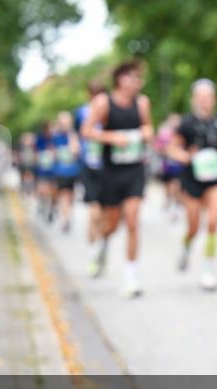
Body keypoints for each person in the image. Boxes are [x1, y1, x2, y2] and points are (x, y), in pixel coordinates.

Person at [82, 59, 154, 298]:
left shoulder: (142, 103)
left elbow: (149, 129)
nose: (138, 83)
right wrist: (113, 138)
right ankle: (102, 246)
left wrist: (143, 134)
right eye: (135, 77)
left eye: (140, 78)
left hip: (134, 169)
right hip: (111, 171)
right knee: (111, 224)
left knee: (133, 220)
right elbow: (87, 130)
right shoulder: (104, 102)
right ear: (121, 79)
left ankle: (131, 277)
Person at [169, 78, 217, 291]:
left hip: (216, 179)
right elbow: (172, 149)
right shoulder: (186, 124)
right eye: (201, 97)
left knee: (213, 222)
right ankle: (186, 248)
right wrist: (187, 157)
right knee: (194, 227)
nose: (205, 101)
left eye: (208, 97)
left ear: (214, 100)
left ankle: (208, 270)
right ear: (194, 100)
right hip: (192, 180)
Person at [76, 81, 106, 245]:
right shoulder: (81, 112)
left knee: (105, 210)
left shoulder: (109, 111)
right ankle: (93, 242)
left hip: (107, 166)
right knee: (94, 209)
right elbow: (75, 133)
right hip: (88, 164)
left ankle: (100, 240)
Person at [51, 111, 82, 234]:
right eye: (62, 121)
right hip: (60, 171)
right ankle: (66, 219)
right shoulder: (55, 136)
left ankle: (68, 214)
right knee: (64, 195)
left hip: (73, 171)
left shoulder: (73, 135)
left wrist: (72, 139)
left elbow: (76, 151)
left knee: (71, 195)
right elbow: (51, 152)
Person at [154, 113, 184, 222]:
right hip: (167, 165)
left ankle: (177, 206)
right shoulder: (165, 134)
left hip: (179, 165)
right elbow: (157, 146)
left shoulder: (182, 134)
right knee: (168, 186)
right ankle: (169, 201)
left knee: (177, 186)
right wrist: (164, 149)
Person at [33, 121, 56, 222]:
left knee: (53, 192)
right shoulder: (40, 139)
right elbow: (35, 153)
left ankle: (51, 209)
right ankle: (42, 205)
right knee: (43, 191)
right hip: (42, 169)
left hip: (54, 170)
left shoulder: (55, 139)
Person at [17, 131, 38, 197]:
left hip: (31, 167)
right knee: (25, 179)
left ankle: (31, 193)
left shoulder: (34, 148)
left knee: (31, 180)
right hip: (24, 167)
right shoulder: (21, 148)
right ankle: (25, 192)